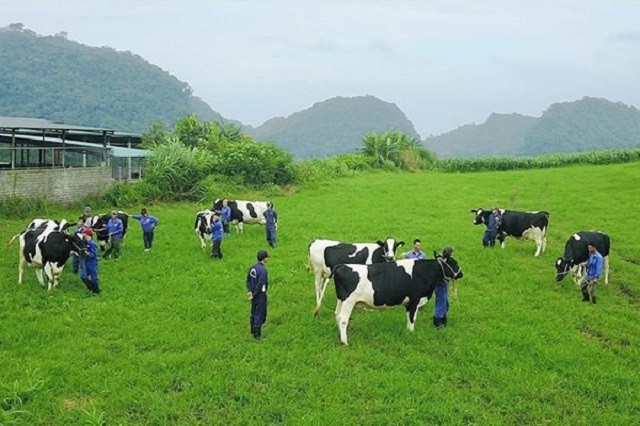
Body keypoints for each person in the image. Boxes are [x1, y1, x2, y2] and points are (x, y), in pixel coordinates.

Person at [246, 250, 269, 340]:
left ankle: (252, 329)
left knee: (254, 312)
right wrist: (255, 293)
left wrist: (250, 292)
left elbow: (248, 280)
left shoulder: (252, 268)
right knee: (260, 313)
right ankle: (257, 334)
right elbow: (261, 284)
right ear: (264, 258)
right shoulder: (263, 270)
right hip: (260, 295)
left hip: (253, 294)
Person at [433, 245, 454, 328]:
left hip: (444, 284)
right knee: (441, 302)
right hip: (440, 284)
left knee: (446, 303)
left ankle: (443, 317)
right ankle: (438, 320)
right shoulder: (441, 262)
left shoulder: (443, 260)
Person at [80, 228, 101, 295]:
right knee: (83, 276)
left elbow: (94, 254)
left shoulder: (92, 243)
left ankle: (96, 290)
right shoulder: (84, 242)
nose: (83, 234)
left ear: (87, 235)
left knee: (94, 278)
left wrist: (88, 254)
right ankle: (90, 287)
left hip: (92, 262)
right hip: (86, 262)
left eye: (84, 233)